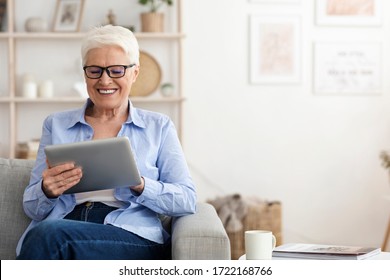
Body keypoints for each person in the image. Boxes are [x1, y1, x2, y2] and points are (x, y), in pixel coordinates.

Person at [16, 25, 197, 260]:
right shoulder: (56, 124)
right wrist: (46, 191)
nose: (104, 80)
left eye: (116, 70)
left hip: (128, 233)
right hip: (65, 224)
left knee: (48, 235)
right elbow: (32, 208)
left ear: (134, 73)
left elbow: (187, 200)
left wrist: (141, 185)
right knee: (48, 234)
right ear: (85, 74)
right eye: (95, 70)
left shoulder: (159, 127)